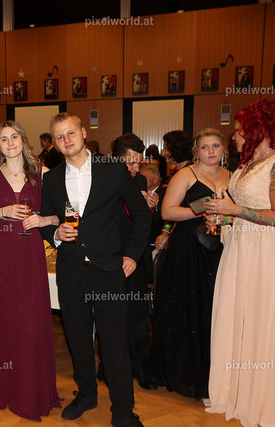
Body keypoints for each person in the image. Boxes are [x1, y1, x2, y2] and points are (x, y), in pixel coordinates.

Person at [39, 113, 149, 427]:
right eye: (59, 137)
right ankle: (87, 394)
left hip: (109, 269)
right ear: (55, 143)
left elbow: (141, 215)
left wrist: (132, 255)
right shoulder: (52, 178)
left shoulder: (113, 169)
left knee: (115, 344)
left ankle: (123, 410)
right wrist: (56, 233)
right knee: (78, 340)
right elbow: (46, 219)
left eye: (71, 133)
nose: (66, 140)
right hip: (72, 270)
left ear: (84, 132)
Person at [0, 120, 61, 421]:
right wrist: (2, 212)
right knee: (3, 323)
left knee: (30, 324)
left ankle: (30, 390)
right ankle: (6, 389)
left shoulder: (43, 174)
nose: (10, 143)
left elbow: (62, 215)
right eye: (3, 139)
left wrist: (43, 220)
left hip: (30, 253)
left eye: (14, 137)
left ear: (23, 139)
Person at [204, 99, 275, 427]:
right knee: (237, 313)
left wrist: (234, 211)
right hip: (239, 247)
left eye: (238, 130)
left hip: (267, 251)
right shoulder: (248, 162)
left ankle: (261, 396)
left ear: (258, 129)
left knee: (261, 317)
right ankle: (235, 390)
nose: (234, 136)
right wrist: (225, 217)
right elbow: (242, 208)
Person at [146, 128, 230, 400]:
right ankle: (186, 375)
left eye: (216, 146)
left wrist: (226, 216)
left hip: (221, 247)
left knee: (214, 308)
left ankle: (213, 375)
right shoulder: (186, 174)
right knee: (188, 308)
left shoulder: (231, 176)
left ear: (224, 149)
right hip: (188, 248)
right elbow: (167, 211)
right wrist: (202, 209)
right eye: (205, 147)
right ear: (196, 151)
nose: (211, 151)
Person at [105, 133, 157, 391]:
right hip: (110, 256)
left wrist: (148, 207)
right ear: (116, 160)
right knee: (111, 316)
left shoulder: (140, 180)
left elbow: (142, 222)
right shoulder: (103, 179)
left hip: (135, 255)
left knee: (137, 316)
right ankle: (108, 368)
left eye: (139, 161)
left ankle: (139, 366)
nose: (136, 168)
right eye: (131, 162)